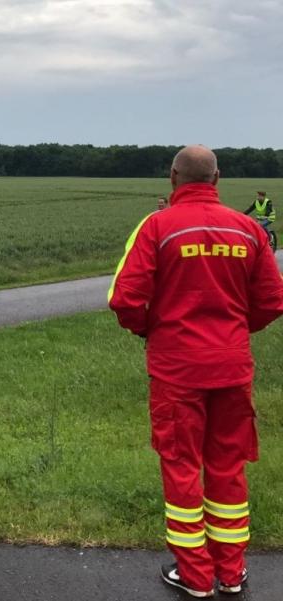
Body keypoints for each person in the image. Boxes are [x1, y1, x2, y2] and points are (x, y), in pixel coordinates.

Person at [108, 145, 283, 598]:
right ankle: (231, 572)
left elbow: (124, 298)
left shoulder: (156, 226)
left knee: (182, 466)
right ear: (217, 178)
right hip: (232, 369)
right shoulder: (249, 229)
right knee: (228, 466)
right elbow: (272, 301)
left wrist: (150, 329)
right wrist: (233, 334)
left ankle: (195, 576)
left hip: (177, 371)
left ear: (173, 177)